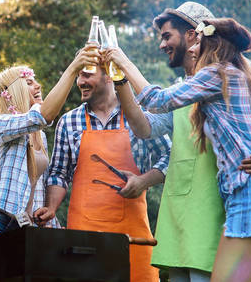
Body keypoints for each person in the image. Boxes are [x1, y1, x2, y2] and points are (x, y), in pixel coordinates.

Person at [108, 2, 251, 282]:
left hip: (247, 197)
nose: (164, 45)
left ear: (196, 36)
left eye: (167, 36)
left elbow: (157, 100)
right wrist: (120, 81)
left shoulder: (218, 73)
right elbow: (147, 124)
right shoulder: (226, 76)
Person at [33, 54, 172, 281]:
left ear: (109, 75)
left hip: (133, 238)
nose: (80, 82)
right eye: (78, 76)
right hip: (83, 238)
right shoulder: (69, 122)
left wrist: (144, 181)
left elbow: (170, 155)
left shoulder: (137, 117)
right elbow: (59, 173)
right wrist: (50, 208)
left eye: (87, 74)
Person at [0, 45, 100, 267]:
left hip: (25, 227)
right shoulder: (3, 123)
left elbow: (38, 189)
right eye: (29, 82)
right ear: (15, 90)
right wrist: (73, 68)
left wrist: (54, 227)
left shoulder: (40, 137)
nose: (38, 86)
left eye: (36, 81)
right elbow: (42, 116)